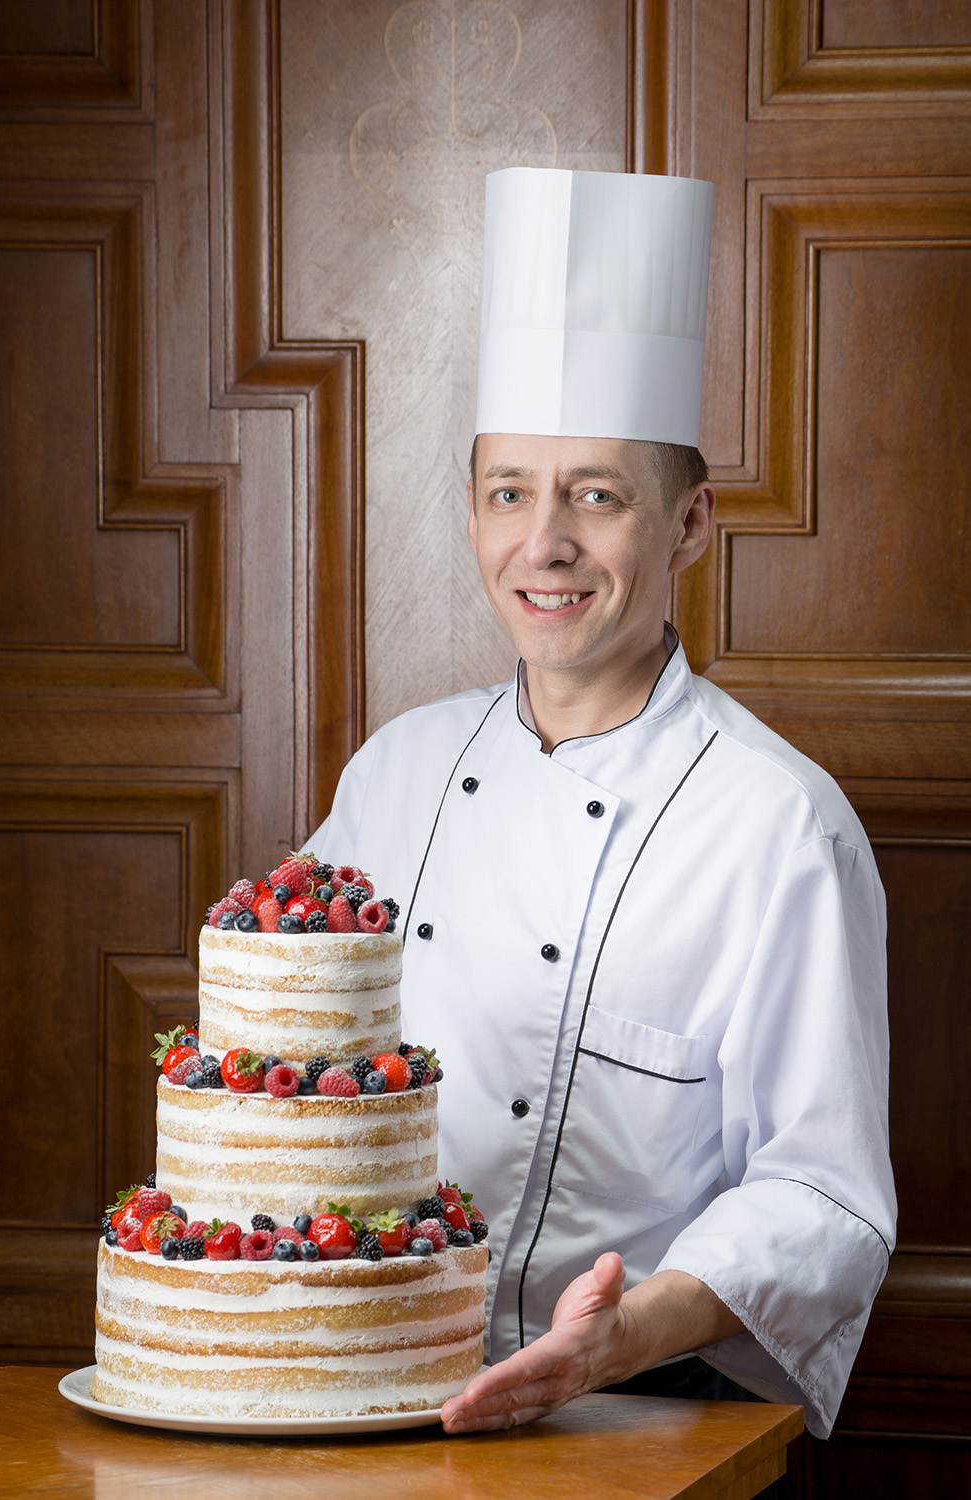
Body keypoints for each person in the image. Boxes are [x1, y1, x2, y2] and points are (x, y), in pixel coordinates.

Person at [310, 169, 896, 1456]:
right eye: (509, 492)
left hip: (642, 1422)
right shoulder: (393, 775)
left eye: (597, 494)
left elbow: (823, 1194)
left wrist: (618, 1337)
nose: (545, 545)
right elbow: (295, 1063)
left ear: (688, 523)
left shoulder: (778, 824)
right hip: (366, 1397)